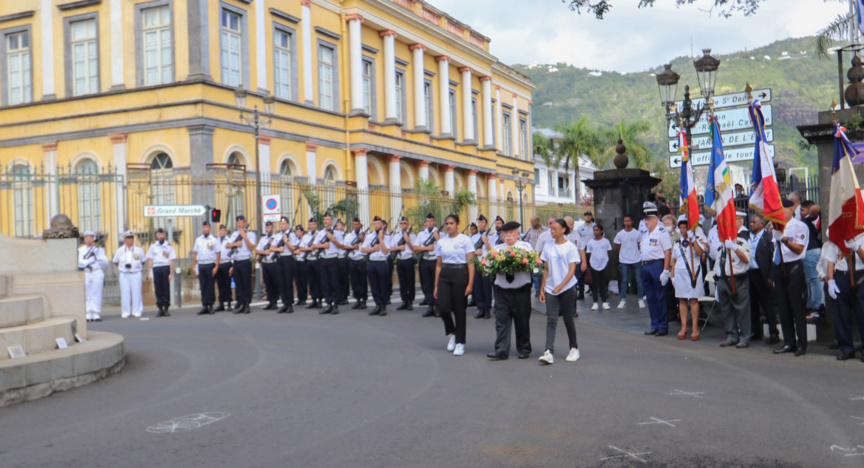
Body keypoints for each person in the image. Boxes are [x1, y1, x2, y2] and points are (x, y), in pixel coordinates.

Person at [487, 221, 533, 361]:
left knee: (522, 321)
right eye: (505, 233)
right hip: (502, 291)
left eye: (511, 232)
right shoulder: (497, 250)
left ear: (518, 234)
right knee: (501, 321)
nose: (508, 235)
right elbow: (489, 268)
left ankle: (524, 348)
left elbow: (533, 267)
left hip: (521, 291)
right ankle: (501, 350)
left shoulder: (525, 248)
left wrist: (521, 266)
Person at [538, 218, 581, 365]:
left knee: (568, 318)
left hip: (567, 288)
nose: (552, 231)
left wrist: (561, 286)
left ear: (563, 230)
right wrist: (542, 289)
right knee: (551, 319)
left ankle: (574, 348)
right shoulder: (548, 247)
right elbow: (546, 268)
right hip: (551, 288)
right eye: (551, 229)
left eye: (555, 229)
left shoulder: (570, 247)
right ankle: (548, 351)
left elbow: (571, 271)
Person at [772, 198, 810, 356]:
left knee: (797, 307)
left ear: (790, 209)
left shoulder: (799, 226)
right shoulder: (775, 228)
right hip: (779, 269)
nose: (779, 213)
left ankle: (802, 344)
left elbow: (799, 250)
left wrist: (785, 240)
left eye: (782, 210)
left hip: (793, 268)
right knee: (783, 308)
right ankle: (789, 342)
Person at [434, 214, 475, 356]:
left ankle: (460, 342)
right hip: (445, 274)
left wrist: (470, 284)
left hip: (460, 272)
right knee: (442, 307)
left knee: (459, 309)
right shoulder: (441, 242)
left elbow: (471, 263)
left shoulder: (465, 240)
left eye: (451, 223)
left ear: (457, 224)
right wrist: (436, 286)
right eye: (447, 223)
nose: (449, 226)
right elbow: (438, 265)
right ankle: (452, 332)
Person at [714, 212, 752, 347]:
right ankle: (731, 335)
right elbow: (718, 265)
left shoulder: (741, 242)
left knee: (742, 310)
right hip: (724, 280)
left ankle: (745, 337)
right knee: (726, 309)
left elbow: (746, 259)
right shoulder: (722, 246)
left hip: (738, 280)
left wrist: (735, 248)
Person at [825, 237, 864, 361]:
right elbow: (831, 260)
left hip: (860, 275)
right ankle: (846, 348)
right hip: (841, 275)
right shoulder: (838, 235)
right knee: (841, 313)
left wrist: (857, 248)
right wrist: (831, 280)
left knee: (862, 313)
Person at [671, 216, 706, 341]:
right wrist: (672, 275)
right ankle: (684, 327)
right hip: (680, 274)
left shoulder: (696, 240)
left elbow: (700, 253)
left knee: (693, 300)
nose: (683, 230)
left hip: (693, 273)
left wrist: (693, 239)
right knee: (682, 300)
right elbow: (674, 261)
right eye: (681, 228)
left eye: (685, 227)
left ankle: (695, 327)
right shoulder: (677, 242)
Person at [640, 203, 673, 336]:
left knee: (660, 296)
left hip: (657, 265)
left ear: (655, 219)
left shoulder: (662, 232)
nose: (646, 222)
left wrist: (665, 270)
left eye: (648, 219)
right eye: (645, 219)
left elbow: (668, 251)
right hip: (646, 265)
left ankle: (663, 326)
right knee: (650, 297)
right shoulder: (644, 234)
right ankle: (654, 324)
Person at [747, 214, 780, 344]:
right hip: (750, 274)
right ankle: (755, 331)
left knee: (767, 305)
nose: (751, 224)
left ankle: (773, 332)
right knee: (752, 306)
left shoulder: (768, 238)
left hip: (763, 275)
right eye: (750, 222)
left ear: (761, 224)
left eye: (754, 222)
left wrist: (771, 277)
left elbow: (773, 259)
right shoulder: (748, 238)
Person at [225, 215, 257, 314]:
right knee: (238, 284)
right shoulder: (234, 234)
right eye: (238, 222)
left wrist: (245, 238)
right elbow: (227, 245)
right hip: (236, 260)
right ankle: (241, 303)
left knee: (246, 283)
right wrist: (236, 244)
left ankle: (247, 304)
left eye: (241, 222)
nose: (239, 224)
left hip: (245, 260)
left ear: (245, 223)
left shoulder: (251, 234)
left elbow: (251, 247)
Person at [314, 214, 344, 315]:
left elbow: (341, 246)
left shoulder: (337, 233)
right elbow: (314, 245)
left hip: (333, 259)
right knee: (325, 283)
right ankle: (328, 303)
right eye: (324, 219)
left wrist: (333, 239)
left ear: (332, 221)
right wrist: (323, 245)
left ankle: (335, 304)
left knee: (334, 282)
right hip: (323, 259)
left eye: (327, 219)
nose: (325, 221)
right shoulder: (321, 233)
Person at [614, 214, 645, 310]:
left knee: (639, 280)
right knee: (624, 280)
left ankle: (640, 299)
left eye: (628, 221)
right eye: (625, 221)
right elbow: (618, 247)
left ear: (632, 221)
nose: (627, 223)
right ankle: (623, 300)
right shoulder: (620, 234)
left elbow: (640, 246)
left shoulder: (637, 233)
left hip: (636, 259)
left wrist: (641, 257)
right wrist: (623, 256)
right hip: (624, 260)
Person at [412, 213, 440, 317]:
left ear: (434, 221)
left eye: (431, 221)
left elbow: (444, 246)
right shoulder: (421, 234)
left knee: (435, 284)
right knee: (426, 284)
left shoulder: (439, 233)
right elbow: (415, 248)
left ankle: (437, 306)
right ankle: (430, 306)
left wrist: (438, 239)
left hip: (435, 261)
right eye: (428, 221)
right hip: (424, 260)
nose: (429, 223)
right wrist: (426, 249)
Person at [113, 231, 146, 318]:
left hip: (135, 273)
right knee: (125, 292)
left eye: (132, 238)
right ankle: (125, 311)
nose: (131, 240)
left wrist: (136, 267)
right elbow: (115, 261)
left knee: (136, 292)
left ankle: (137, 311)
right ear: (125, 239)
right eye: (129, 238)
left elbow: (143, 261)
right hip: (124, 274)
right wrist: (122, 267)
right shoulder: (120, 250)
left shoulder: (139, 250)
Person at [78, 231, 109, 322]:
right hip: (86, 272)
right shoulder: (81, 250)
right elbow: (80, 263)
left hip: (96, 272)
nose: (87, 240)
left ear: (94, 239)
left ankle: (95, 313)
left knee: (96, 293)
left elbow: (105, 262)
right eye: (86, 238)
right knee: (87, 293)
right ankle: (88, 313)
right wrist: (91, 260)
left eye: (90, 238)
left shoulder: (99, 250)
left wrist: (97, 257)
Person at [800, 201, 823, 320]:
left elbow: (816, 208)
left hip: (811, 252)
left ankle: (816, 308)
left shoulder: (811, 218)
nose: (800, 212)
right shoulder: (804, 220)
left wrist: (810, 211)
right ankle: (810, 306)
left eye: (803, 210)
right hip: (809, 252)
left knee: (813, 280)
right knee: (810, 280)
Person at [364, 216, 392, 316]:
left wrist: (380, 239)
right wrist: (373, 249)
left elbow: (386, 252)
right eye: (374, 224)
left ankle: (383, 306)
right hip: (372, 262)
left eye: (378, 223)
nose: (376, 225)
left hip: (381, 262)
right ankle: (377, 304)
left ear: (381, 224)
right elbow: (363, 249)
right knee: (374, 285)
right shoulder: (369, 236)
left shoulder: (387, 236)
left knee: (383, 285)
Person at [268, 216, 296, 314]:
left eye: (283, 224)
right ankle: (284, 303)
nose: (282, 225)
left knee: (288, 282)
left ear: (288, 224)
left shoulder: (291, 235)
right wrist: (278, 249)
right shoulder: (277, 235)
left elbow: (293, 249)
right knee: (281, 282)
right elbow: (271, 248)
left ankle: (290, 304)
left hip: (288, 258)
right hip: (279, 259)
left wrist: (286, 242)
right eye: (280, 224)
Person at [146, 227, 176, 317]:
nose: (161, 236)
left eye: (162, 234)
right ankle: (160, 308)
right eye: (159, 234)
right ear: (156, 235)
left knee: (166, 289)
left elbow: (171, 260)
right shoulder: (153, 246)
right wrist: (149, 272)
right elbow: (150, 260)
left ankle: (166, 308)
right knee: (158, 289)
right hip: (156, 268)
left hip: (165, 267)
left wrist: (171, 273)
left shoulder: (169, 246)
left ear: (165, 235)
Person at [192, 221, 220, 316]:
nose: (205, 229)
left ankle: (211, 305)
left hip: (210, 264)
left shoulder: (214, 240)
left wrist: (216, 266)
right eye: (203, 227)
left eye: (207, 227)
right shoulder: (198, 240)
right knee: (203, 286)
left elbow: (218, 253)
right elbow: (195, 254)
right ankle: (205, 305)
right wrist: (194, 266)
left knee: (210, 286)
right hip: (201, 264)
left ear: (210, 228)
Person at [390, 217, 417, 311]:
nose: (403, 225)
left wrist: (408, 241)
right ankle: (404, 300)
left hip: (408, 259)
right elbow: (391, 248)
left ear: (408, 224)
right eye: (401, 223)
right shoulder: (396, 236)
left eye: (405, 223)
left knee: (410, 281)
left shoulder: (412, 236)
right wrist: (399, 248)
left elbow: (415, 249)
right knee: (402, 281)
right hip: (400, 260)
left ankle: (410, 301)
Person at [470, 215, 494, 319]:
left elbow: (492, 252)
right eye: (479, 222)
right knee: (477, 286)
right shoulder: (473, 237)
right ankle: (480, 308)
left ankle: (487, 309)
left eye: (483, 222)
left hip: (486, 263)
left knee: (486, 286)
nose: (481, 224)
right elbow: (469, 252)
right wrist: (476, 252)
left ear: (486, 224)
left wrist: (486, 242)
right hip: (476, 262)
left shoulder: (491, 237)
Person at [255, 221, 281, 311]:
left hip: (273, 262)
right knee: (268, 283)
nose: (268, 229)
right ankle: (270, 301)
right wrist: (264, 252)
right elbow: (257, 251)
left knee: (275, 283)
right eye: (266, 227)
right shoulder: (263, 239)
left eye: (269, 227)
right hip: (265, 262)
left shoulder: (277, 238)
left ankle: (275, 301)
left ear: (272, 228)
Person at [343, 218, 368, 310]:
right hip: (352, 259)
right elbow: (344, 246)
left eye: (358, 224)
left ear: (360, 225)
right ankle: (357, 299)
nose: (356, 226)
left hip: (361, 259)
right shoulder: (349, 236)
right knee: (354, 281)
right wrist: (352, 247)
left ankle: (364, 300)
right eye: (354, 224)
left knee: (362, 280)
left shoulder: (364, 235)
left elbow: (368, 245)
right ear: (352, 225)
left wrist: (363, 240)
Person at [586, 224, 612, 311]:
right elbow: (589, 253)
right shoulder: (590, 242)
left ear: (601, 231)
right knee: (594, 284)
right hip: (594, 265)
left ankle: (604, 302)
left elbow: (608, 252)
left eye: (597, 230)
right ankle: (595, 302)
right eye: (594, 230)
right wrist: (593, 262)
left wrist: (604, 260)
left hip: (603, 264)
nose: (595, 232)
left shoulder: (606, 241)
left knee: (603, 284)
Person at [299, 218, 323, 310]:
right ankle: (314, 299)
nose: (311, 226)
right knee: (311, 281)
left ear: (316, 225)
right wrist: (311, 248)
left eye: (313, 224)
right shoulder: (306, 236)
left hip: (317, 260)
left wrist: (314, 244)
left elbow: (320, 246)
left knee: (318, 280)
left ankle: (320, 300)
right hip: (309, 260)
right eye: (310, 225)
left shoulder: (320, 234)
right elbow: (301, 248)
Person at [533, 216, 556, 296]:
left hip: (556, 260)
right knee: (539, 277)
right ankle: (540, 292)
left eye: (554, 222)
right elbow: (537, 250)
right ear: (548, 224)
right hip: (544, 260)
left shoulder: (561, 234)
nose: (552, 224)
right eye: (550, 223)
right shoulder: (544, 235)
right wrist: (538, 264)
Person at [575, 211, 595, 300]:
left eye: (589, 215)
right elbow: (578, 240)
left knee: (594, 270)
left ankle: (594, 289)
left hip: (594, 251)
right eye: (586, 215)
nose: (587, 217)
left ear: (591, 216)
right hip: (583, 251)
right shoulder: (580, 228)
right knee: (581, 271)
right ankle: (581, 292)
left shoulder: (595, 226)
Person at [215, 224, 233, 311]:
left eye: (223, 230)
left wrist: (232, 265)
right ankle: (221, 303)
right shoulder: (216, 241)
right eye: (220, 230)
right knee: (220, 284)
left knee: (227, 284)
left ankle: (229, 303)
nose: (221, 232)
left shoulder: (229, 240)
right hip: (219, 263)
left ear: (226, 231)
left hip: (227, 262)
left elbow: (233, 253)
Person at [333, 219, 351, 305]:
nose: (338, 227)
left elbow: (346, 246)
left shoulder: (347, 235)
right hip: (336, 258)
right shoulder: (334, 235)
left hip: (343, 258)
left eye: (339, 225)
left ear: (343, 227)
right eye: (336, 226)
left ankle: (345, 296)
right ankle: (338, 295)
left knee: (344, 278)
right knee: (337, 278)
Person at [292, 225, 308, 306]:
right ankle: (299, 298)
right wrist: (296, 251)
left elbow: (303, 250)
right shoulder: (295, 240)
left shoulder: (305, 239)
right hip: (296, 261)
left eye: (299, 231)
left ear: (302, 231)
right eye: (296, 231)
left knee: (303, 280)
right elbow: (294, 251)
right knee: (297, 281)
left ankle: (304, 298)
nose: (297, 233)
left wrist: (298, 251)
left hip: (303, 261)